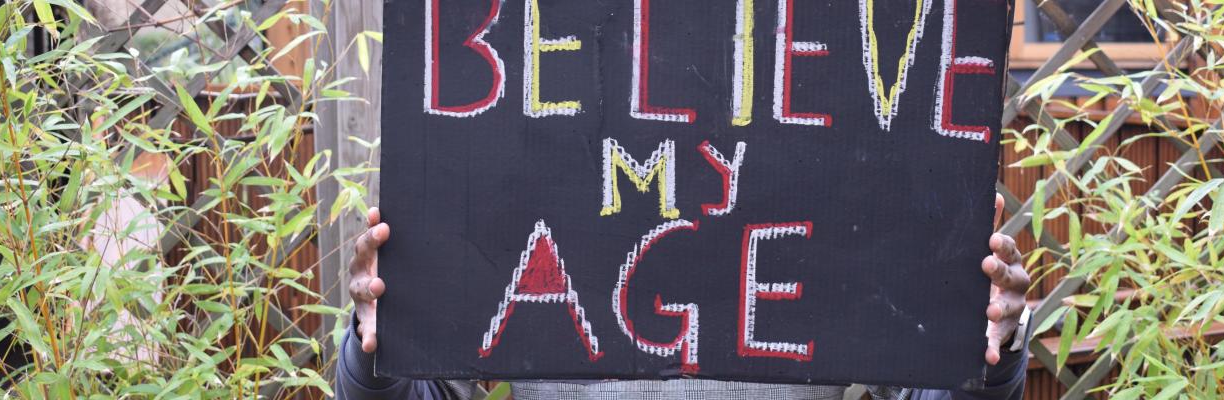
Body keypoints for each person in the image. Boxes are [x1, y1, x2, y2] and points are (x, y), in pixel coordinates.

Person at [337, 194, 1033, 400]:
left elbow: (933, 390)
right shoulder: (523, 131)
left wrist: (980, 348)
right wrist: (385, 343)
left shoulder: (833, 117)